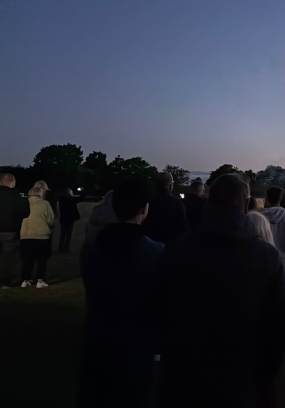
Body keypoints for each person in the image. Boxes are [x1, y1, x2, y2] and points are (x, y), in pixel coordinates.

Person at [155, 174, 285, 408]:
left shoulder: (177, 250)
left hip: (182, 375)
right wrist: (266, 380)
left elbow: (155, 310)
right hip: (240, 379)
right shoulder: (267, 257)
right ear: (247, 205)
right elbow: (278, 330)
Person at [80, 178, 163, 408]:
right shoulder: (156, 253)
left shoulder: (92, 250)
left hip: (97, 340)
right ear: (143, 209)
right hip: (136, 348)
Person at [0, 173, 30, 287]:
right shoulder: (15, 195)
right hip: (9, 230)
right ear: (12, 183)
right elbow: (25, 212)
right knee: (8, 256)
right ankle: (5, 281)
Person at [19, 184, 55, 288]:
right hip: (41, 235)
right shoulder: (45, 204)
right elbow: (51, 219)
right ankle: (40, 280)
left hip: (26, 234)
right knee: (41, 259)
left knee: (27, 259)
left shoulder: (24, 203)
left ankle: (25, 280)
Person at [141, 172, 188, 244]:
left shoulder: (147, 200)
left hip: (149, 242)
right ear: (170, 185)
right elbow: (183, 226)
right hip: (170, 243)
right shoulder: (176, 202)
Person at [262, 186, 285, 274]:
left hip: (264, 259)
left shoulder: (260, 217)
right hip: (283, 259)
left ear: (267, 198)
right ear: (281, 198)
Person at [58, 188, 81, 253]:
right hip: (70, 219)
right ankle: (66, 248)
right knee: (68, 234)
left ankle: (60, 248)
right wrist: (81, 191)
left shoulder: (62, 200)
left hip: (63, 218)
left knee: (63, 234)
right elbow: (81, 198)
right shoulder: (72, 200)